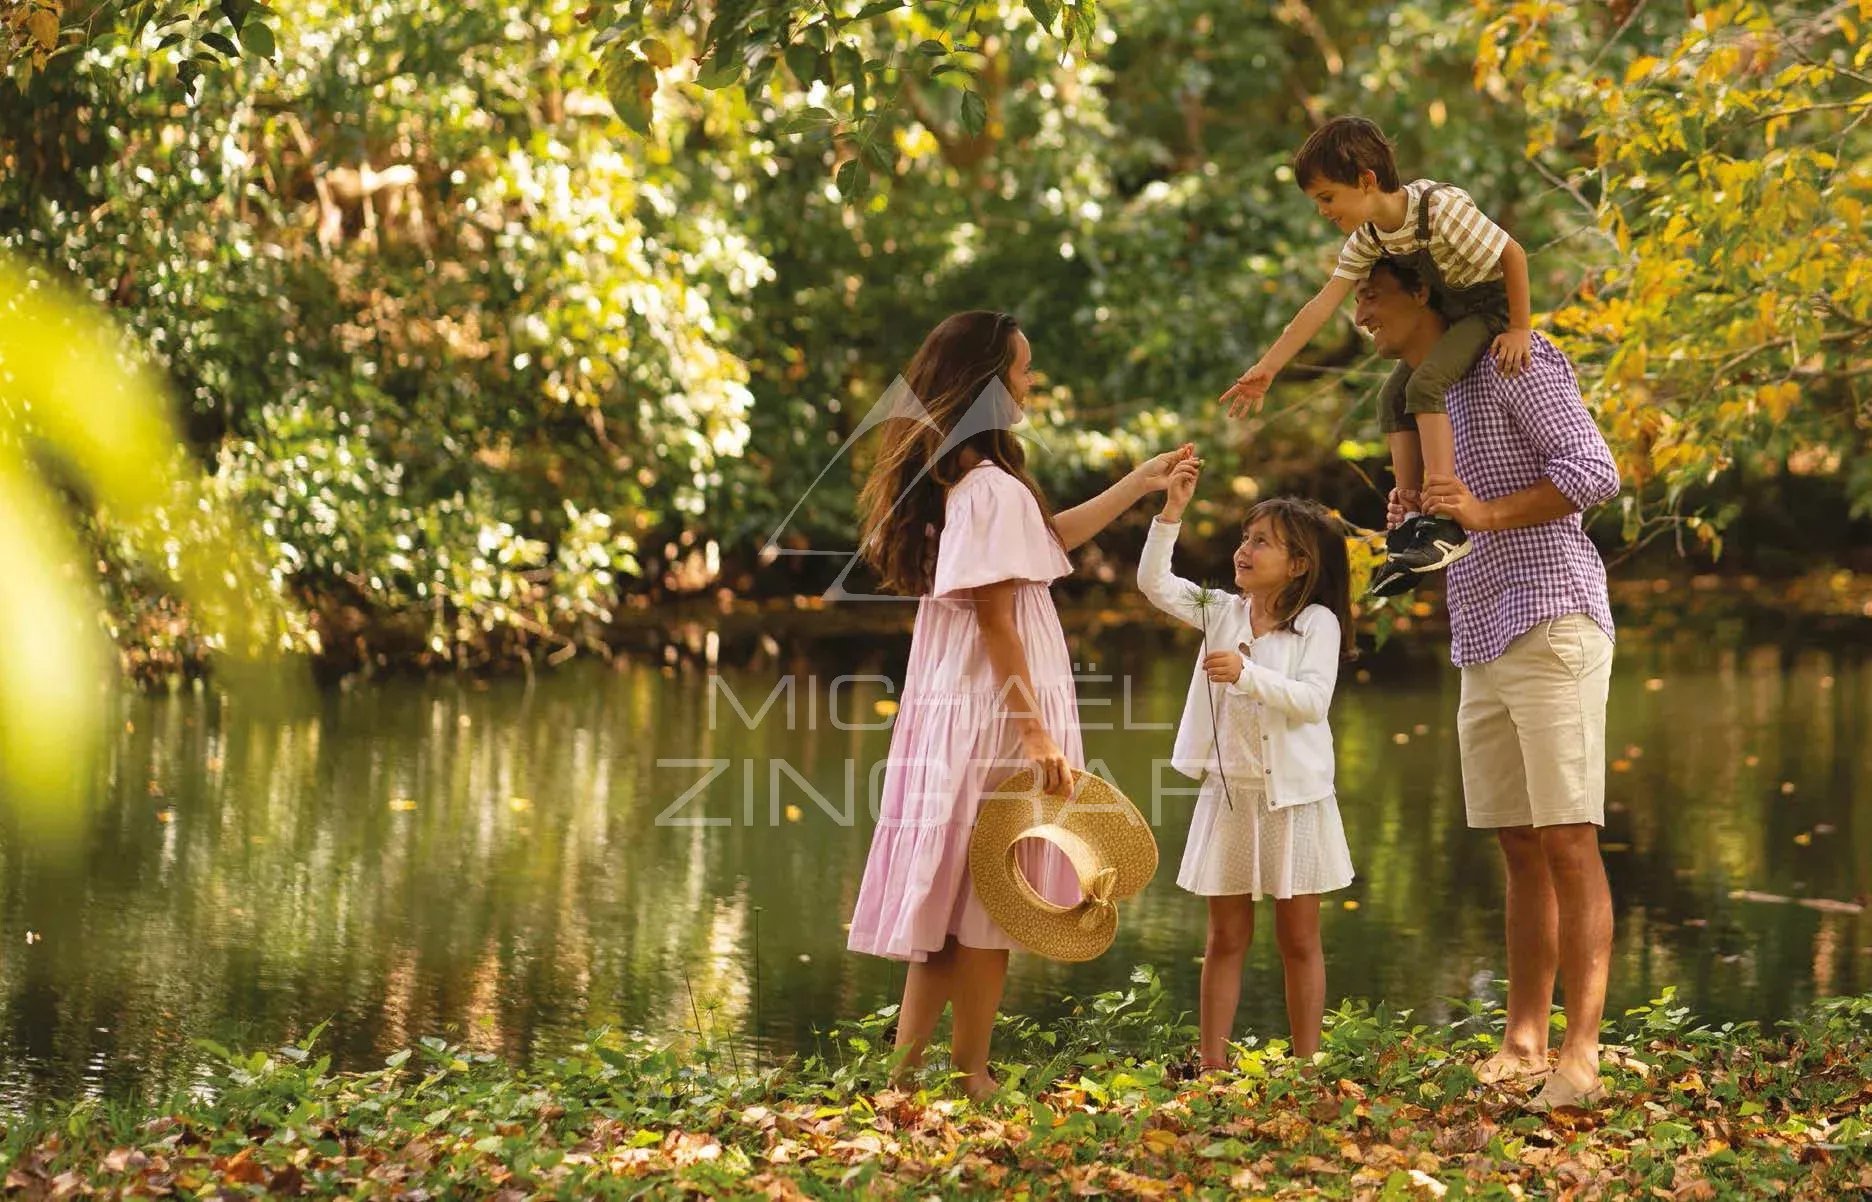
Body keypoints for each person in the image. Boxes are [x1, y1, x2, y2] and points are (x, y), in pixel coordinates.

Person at [844, 309, 1195, 1101]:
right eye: (1022, 369)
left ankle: (904, 1077)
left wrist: (1138, 485)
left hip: (959, 707)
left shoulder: (965, 482)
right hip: (995, 716)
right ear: (988, 384)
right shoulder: (991, 488)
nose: (1031, 381)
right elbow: (1001, 620)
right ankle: (969, 1076)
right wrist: (1036, 734)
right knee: (992, 901)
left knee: (956, 901)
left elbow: (1046, 545)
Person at [1356, 255, 1620, 1111]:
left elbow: (1594, 473)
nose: (1359, 310)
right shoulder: (1425, 398)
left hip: (1554, 615)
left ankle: (1580, 1057)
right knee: (1517, 842)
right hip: (1480, 628)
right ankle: (1523, 1039)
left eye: (1372, 293)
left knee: (1568, 837)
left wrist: (1485, 512)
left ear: (1422, 293)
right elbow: (1453, 523)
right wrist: (1421, 526)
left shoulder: (1518, 360)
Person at [1221, 116, 1534, 596]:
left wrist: (1520, 329)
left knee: (1425, 384)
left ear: (1366, 181)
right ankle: (1410, 526)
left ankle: (1443, 518)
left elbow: (1513, 254)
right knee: (1393, 396)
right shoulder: (1370, 237)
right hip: (1453, 313)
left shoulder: (1439, 208)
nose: (1323, 211)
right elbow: (1322, 304)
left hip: (1489, 310)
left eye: (1327, 198)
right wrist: (1267, 368)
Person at [1136, 457, 1356, 1069]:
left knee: (1298, 939)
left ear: (1299, 564)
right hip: (1230, 793)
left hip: (1295, 800)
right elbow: (1155, 583)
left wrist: (1247, 673)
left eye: (1262, 542)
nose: (1244, 549)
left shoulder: (1317, 624)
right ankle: (1213, 1068)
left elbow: (1313, 702)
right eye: (1244, 538)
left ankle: (1308, 1066)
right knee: (1225, 936)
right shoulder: (1221, 610)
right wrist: (1171, 512)